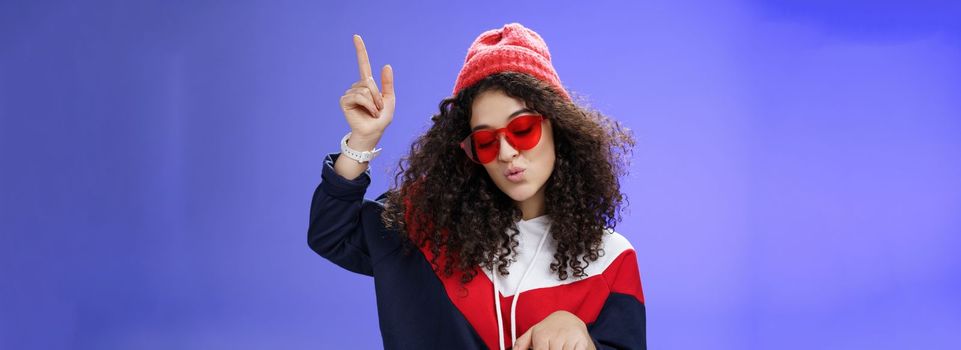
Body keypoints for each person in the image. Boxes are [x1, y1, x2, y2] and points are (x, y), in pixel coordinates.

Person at [309, 22, 645, 350]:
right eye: (485, 141)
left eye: (523, 129)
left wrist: (582, 339)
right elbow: (332, 234)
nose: (506, 152)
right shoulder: (423, 225)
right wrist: (362, 141)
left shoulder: (611, 259)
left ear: (559, 128)